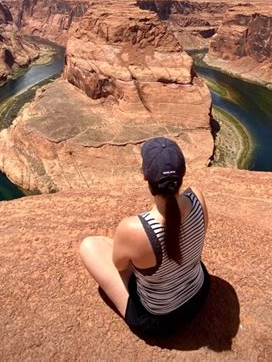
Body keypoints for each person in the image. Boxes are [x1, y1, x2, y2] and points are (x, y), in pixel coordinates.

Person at [79, 136, 210, 338]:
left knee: (89, 245)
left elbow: (121, 268)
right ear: (183, 174)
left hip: (159, 320)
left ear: (145, 177)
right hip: (199, 294)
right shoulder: (197, 197)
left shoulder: (135, 228)